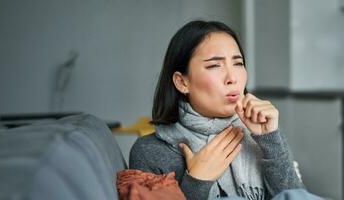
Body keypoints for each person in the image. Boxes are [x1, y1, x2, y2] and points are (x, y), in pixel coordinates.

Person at [129, 20, 304, 200]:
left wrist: (271, 139)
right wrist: (197, 180)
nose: (232, 78)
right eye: (214, 65)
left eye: (238, 63)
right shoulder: (150, 151)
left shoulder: (262, 135)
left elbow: (297, 197)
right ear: (182, 82)